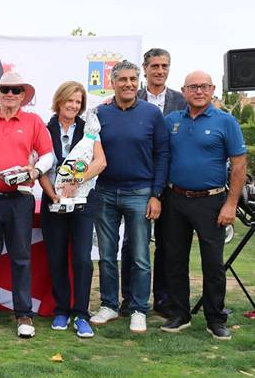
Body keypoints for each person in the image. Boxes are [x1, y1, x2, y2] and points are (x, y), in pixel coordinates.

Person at [0, 71, 54, 338]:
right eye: (6, 89)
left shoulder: (33, 121)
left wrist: (35, 171)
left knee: (21, 259)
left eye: (16, 90)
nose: (10, 94)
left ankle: (24, 315)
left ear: (23, 95)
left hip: (20, 200)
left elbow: (48, 155)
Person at [160, 71, 246, 340]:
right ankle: (179, 314)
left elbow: (239, 165)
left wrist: (231, 204)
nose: (199, 91)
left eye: (204, 86)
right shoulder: (172, 121)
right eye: (193, 87)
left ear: (212, 90)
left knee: (212, 263)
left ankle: (215, 318)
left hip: (211, 201)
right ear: (183, 91)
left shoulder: (226, 122)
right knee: (174, 260)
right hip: (175, 199)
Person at [90, 60, 169, 334]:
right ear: (112, 82)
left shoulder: (151, 114)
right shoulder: (99, 113)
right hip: (105, 192)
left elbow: (162, 155)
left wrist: (156, 194)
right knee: (108, 255)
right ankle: (110, 304)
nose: (129, 84)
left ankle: (138, 308)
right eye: (123, 79)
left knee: (139, 256)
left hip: (140, 193)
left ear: (139, 82)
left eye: (133, 79)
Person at [119, 48, 187, 318]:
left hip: (173, 185)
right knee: (133, 245)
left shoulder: (182, 100)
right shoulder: (131, 98)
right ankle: (129, 300)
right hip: (139, 186)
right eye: (155, 66)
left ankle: (163, 299)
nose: (160, 70)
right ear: (144, 69)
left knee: (168, 244)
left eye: (165, 66)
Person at [38, 81, 106, 338]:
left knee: (81, 259)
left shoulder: (90, 131)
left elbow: (101, 161)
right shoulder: (45, 129)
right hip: (53, 202)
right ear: (59, 101)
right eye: (70, 101)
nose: (74, 106)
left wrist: (78, 180)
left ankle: (81, 314)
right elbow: (40, 167)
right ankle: (62, 310)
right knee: (56, 258)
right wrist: (52, 194)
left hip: (82, 203)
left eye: (78, 102)